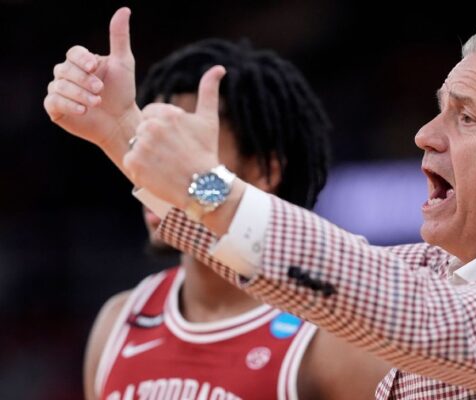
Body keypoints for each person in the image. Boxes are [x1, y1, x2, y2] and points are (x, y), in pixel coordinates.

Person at [44, 7, 476, 400]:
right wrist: (123, 136)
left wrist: (204, 185)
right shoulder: (446, 269)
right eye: (438, 110)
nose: (425, 135)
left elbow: (421, 314)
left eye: (467, 116)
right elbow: (295, 264)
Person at [50, 19, 388, 400]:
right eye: (148, 135)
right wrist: (116, 127)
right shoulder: (117, 323)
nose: (153, 158)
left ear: (264, 170)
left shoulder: (330, 339)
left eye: (184, 141)